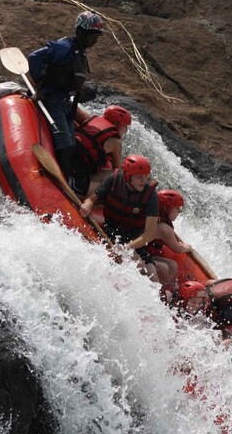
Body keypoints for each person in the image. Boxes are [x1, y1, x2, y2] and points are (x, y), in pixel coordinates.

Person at [26, 11, 104, 177]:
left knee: (72, 145)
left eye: (97, 36)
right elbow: (33, 58)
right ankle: (61, 179)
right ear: (81, 32)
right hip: (51, 100)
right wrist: (38, 88)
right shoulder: (64, 47)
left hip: (64, 102)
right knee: (65, 146)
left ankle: (66, 178)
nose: (95, 40)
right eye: (92, 35)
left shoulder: (79, 50)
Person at [79, 154, 174, 287]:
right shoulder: (113, 180)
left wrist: (127, 247)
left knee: (153, 276)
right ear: (128, 176)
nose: (144, 180)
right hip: (112, 229)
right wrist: (88, 203)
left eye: (146, 176)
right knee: (139, 265)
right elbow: (92, 198)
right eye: (139, 177)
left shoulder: (150, 194)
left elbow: (149, 233)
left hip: (135, 237)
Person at [71, 105, 131, 197]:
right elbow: (117, 171)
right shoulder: (116, 142)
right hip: (75, 179)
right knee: (119, 177)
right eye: (125, 127)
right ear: (116, 123)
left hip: (68, 163)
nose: (126, 131)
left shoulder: (91, 120)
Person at [146, 189, 190, 299]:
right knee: (164, 267)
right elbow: (178, 249)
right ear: (166, 208)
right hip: (139, 255)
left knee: (172, 265)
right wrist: (188, 247)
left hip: (146, 254)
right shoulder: (164, 228)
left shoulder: (155, 218)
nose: (179, 212)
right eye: (177, 208)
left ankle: (168, 292)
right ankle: (162, 295)